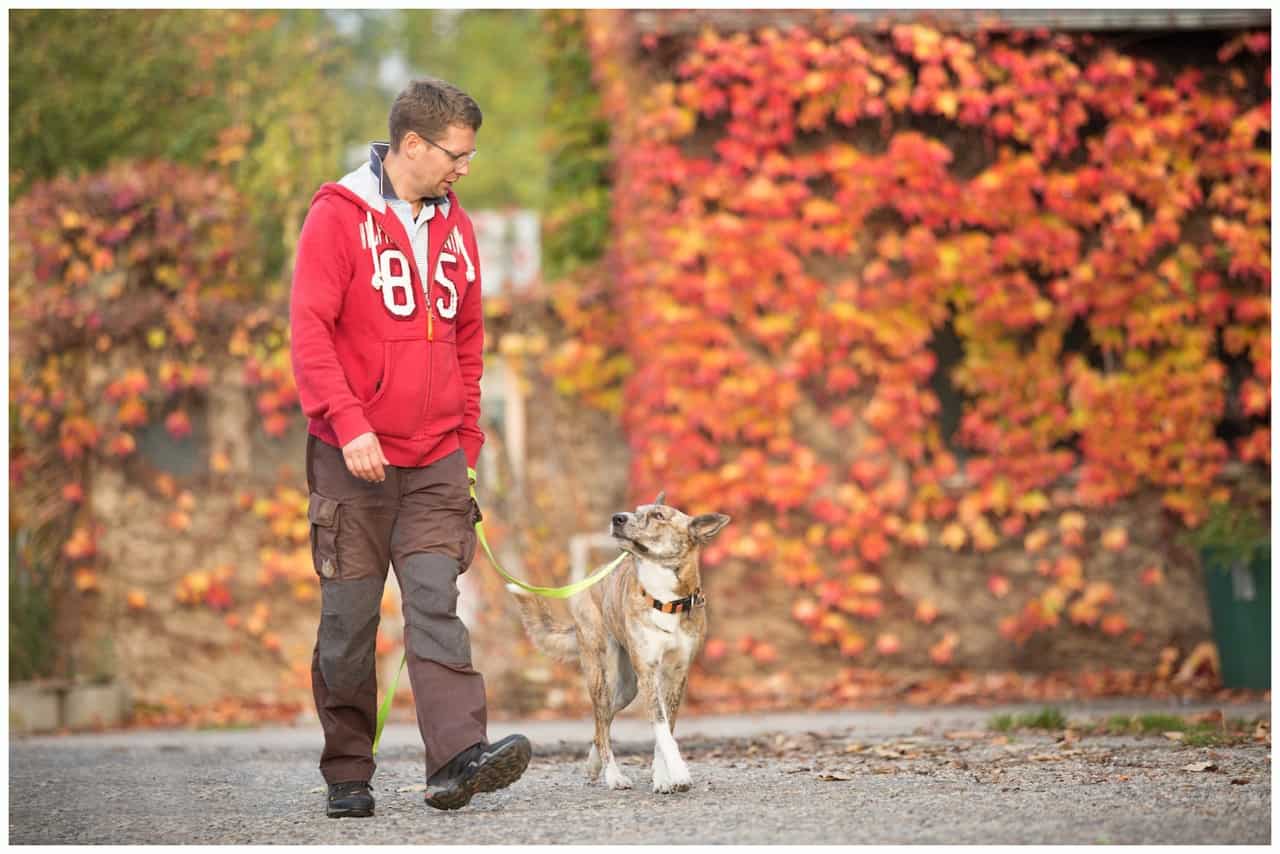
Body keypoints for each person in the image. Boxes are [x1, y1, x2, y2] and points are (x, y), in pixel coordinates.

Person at [289, 77, 530, 818]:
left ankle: (456, 759)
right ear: (414, 145)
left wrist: (466, 443)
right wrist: (350, 422)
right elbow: (309, 332)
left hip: (434, 460)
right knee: (350, 621)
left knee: (435, 602)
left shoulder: (456, 228)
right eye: (458, 154)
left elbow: (466, 339)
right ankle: (348, 772)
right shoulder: (337, 217)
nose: (466, 168)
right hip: (351, 456)